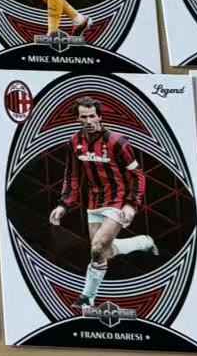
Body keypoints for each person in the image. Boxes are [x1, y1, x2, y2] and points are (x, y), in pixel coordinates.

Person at [47, 97, 159, 313]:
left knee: (97, 247)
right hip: (94, 202)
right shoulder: (74, 142)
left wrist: (131, 205)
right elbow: (72, 176)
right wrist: (63, 205)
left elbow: (137, 174)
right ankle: (144, 242)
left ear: (99, 116)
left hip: (118, 201)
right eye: (84, 117)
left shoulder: (118, 142)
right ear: (78, 119)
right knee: (103, 253)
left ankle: (86, 298)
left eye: (92, 116)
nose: (89, 121)